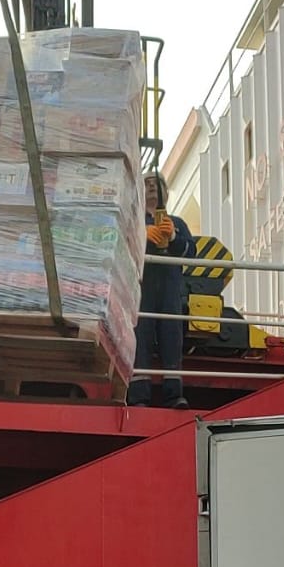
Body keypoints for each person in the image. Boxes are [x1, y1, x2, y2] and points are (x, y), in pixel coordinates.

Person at [129, 169, 195, 408]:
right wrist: (141, 235)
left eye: (156, 183)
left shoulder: (177, 223)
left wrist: (174, 237)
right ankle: (139, 395)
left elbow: (191, 253)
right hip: (142, 289)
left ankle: (173, 394)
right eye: (146, 183)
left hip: (169, 289)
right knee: (141, 337)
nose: (151, 187)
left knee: (171, 337)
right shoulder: (133, 223)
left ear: (166, 192)